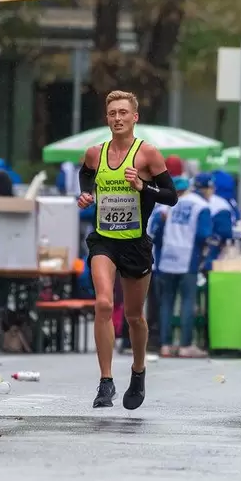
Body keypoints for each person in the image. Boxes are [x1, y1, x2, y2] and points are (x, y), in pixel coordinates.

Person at [77, 90, 178, 409]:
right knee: (104, 304)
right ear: (106, 118)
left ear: (135, 118)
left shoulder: (148, 154)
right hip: (104, 240)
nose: (117, 118)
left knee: (135, 316)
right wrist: (86, 195)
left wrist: (142, 187)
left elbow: (171, 196)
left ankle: (138, 371)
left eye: (123, 112)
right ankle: (105, 382)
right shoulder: (95, 153)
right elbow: (85, 177)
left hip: (135, 242)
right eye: (111, 113)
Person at [154, 176, 212, 357]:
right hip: (188, 257)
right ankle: (186, 345)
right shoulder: (200, 205)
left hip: (167, 257)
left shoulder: (167, 205)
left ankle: (165, 344)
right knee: (188, 301)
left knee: (167, 302)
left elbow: (158, 233)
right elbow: (204, 233)